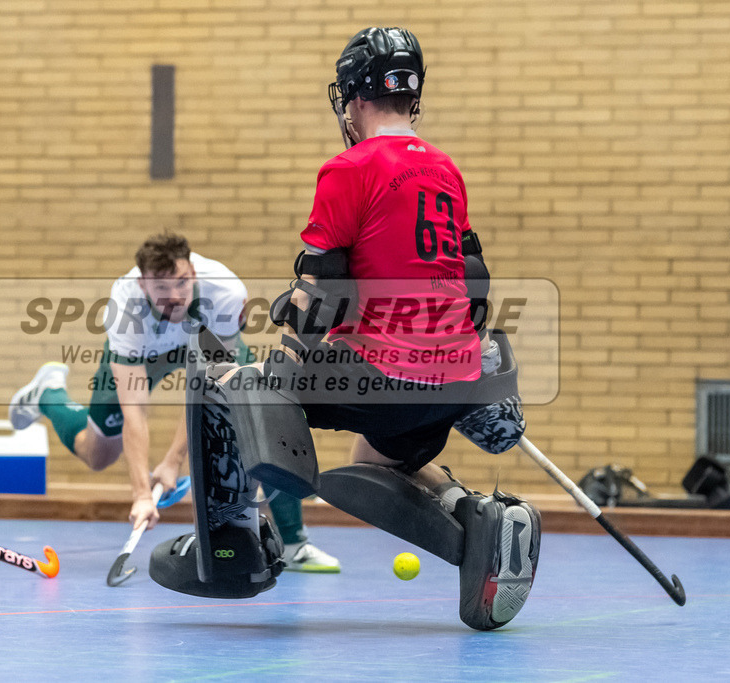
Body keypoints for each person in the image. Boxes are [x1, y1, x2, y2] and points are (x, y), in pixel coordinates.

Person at [149, 28, 538, 631]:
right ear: (412, 96)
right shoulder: (445, 169)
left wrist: (274, 373)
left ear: (354, 97)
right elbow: (474, 284)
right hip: (455, 374)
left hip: (387, 374)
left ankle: (232, 552)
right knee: (372, 465)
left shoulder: (348, 168)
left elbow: (322, 290)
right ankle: (481, 519)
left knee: (218, 382)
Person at [9, 233, 340, 572]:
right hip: (144, 352)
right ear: (142, 285)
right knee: (98, 454)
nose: (175, 296)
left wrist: (173, 460)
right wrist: (140, 494)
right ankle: (49, 395)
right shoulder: (124, 307)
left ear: (193, 273)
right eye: (161, 288)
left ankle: (296, 542)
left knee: (258, 414)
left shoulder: (224, 289)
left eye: (182, 282)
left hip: (205, 341)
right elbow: (135, 409)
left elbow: (208, 389)